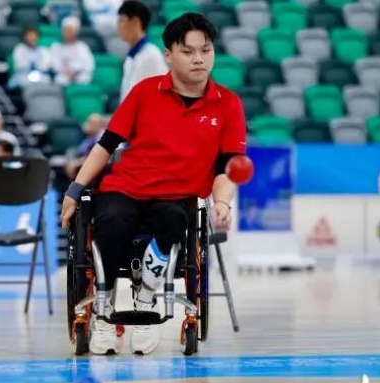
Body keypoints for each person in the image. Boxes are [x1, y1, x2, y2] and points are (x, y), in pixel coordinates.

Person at [60, 13, 246, 356]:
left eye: (205, 50)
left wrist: (222, 203)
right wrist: (74, 190)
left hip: (176, 196)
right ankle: (103, 311)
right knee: (110, 221)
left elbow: (227, 166)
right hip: (126, 187)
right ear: (169, 55)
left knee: (174, 221)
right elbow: (106, 145)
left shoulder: (228, 104)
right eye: (188, 51)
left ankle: (146, 300)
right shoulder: (145, 92)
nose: (198, 59)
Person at [117, 0, 168, 101]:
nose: (118, 25)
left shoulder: (151, 56)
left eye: (122, 20)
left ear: (135, 22)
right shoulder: (131, 58)